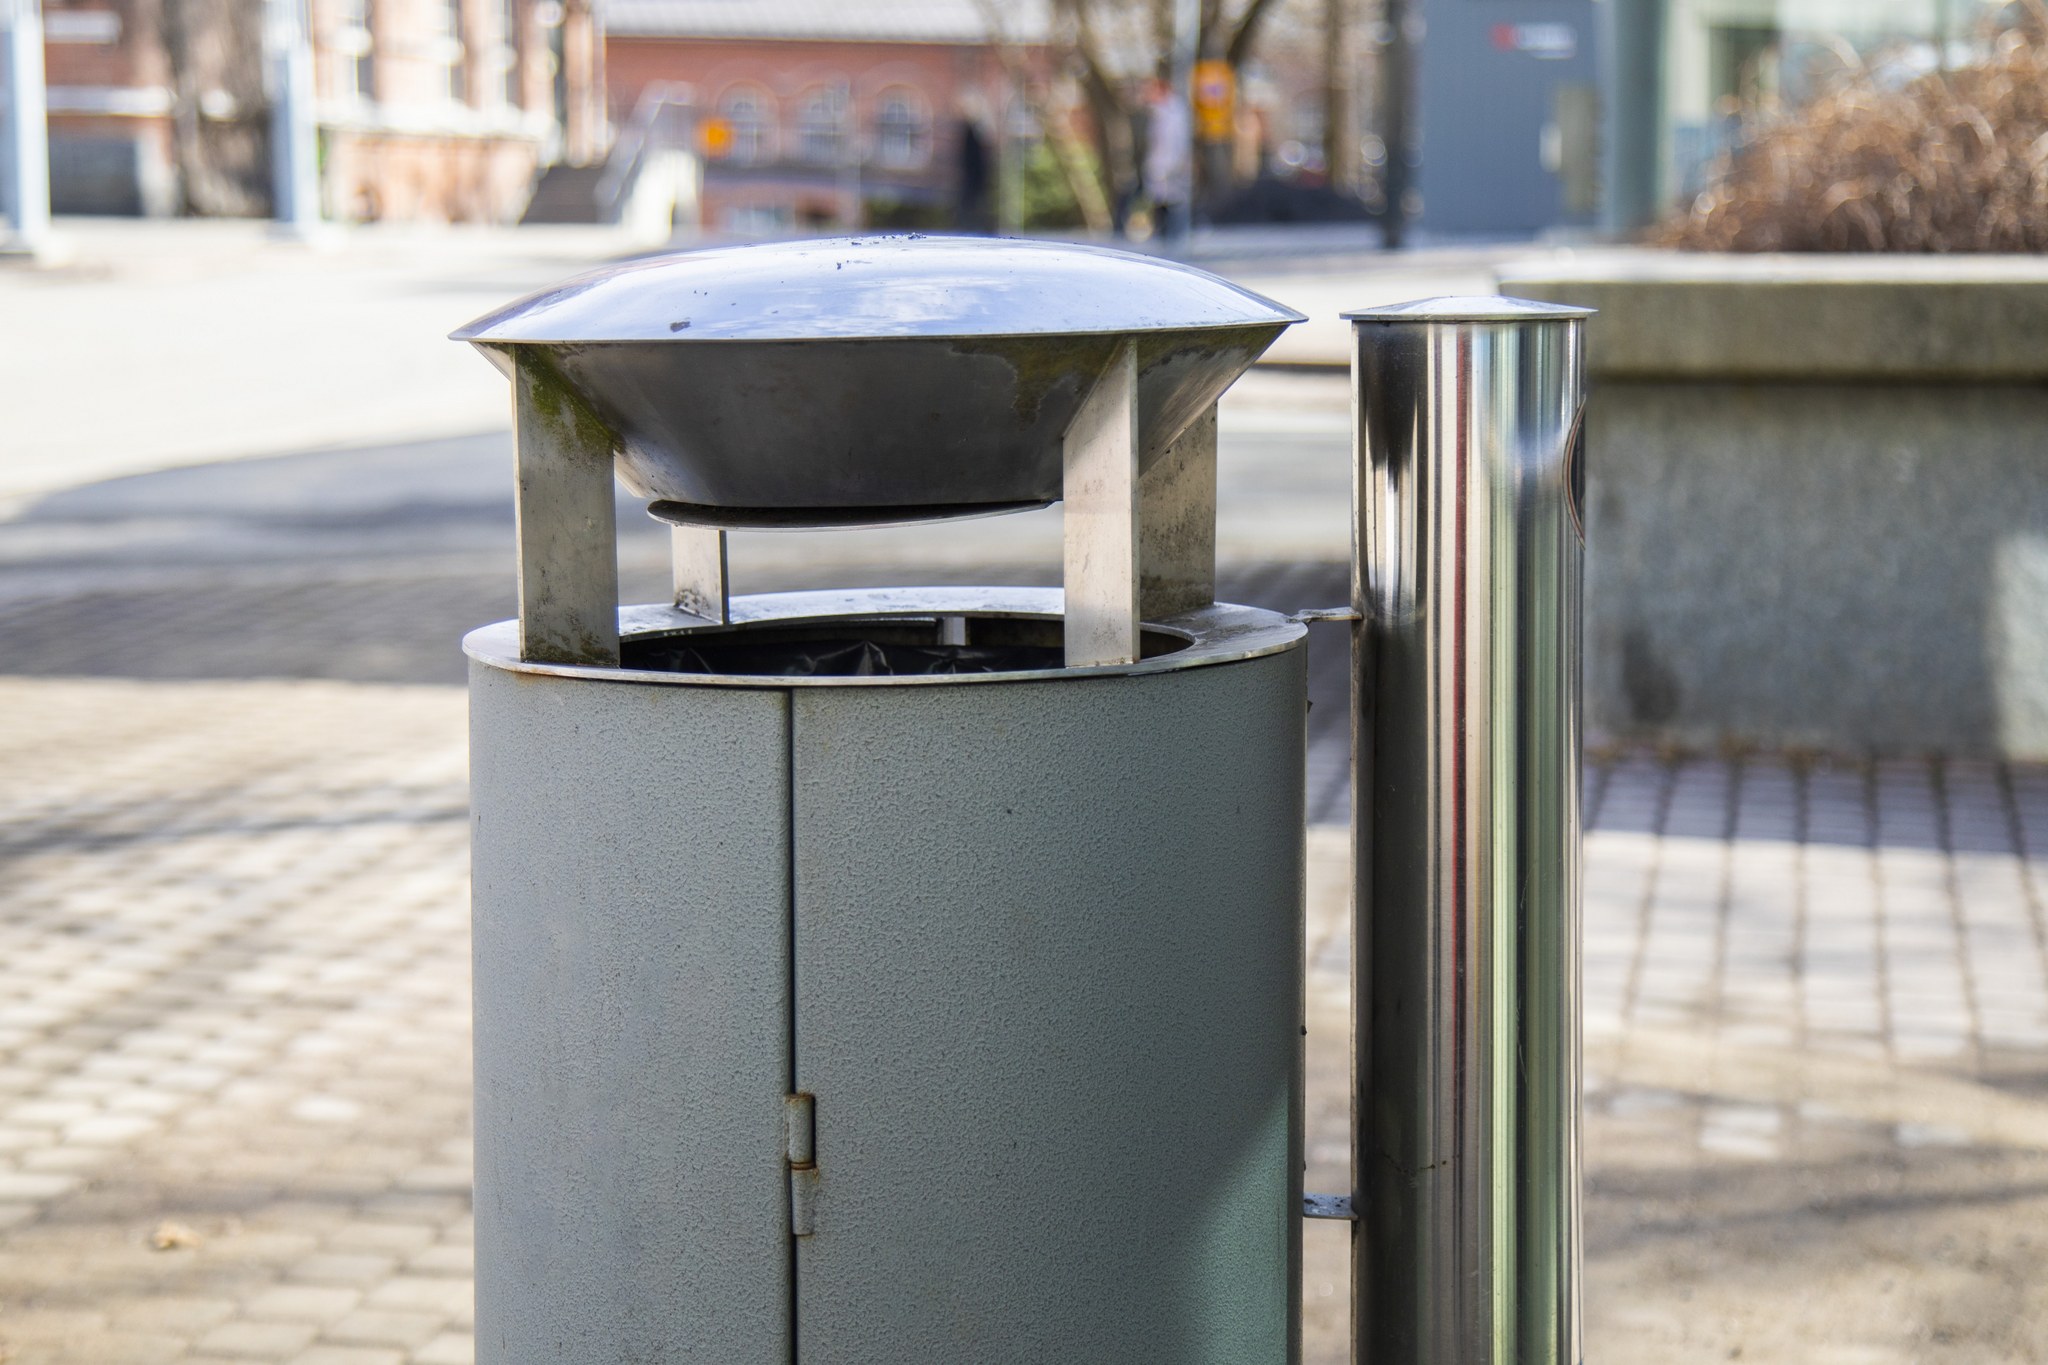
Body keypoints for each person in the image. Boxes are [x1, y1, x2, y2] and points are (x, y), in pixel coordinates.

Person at [1141, 75, 1193, 234]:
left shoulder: (1174, 113)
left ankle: (1174, 235)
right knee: (1161, 203)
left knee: (1173, 205)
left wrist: (1171, 166)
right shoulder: (1157, 113)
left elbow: (1174, 143)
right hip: (1159, 168)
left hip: (1171, 168)